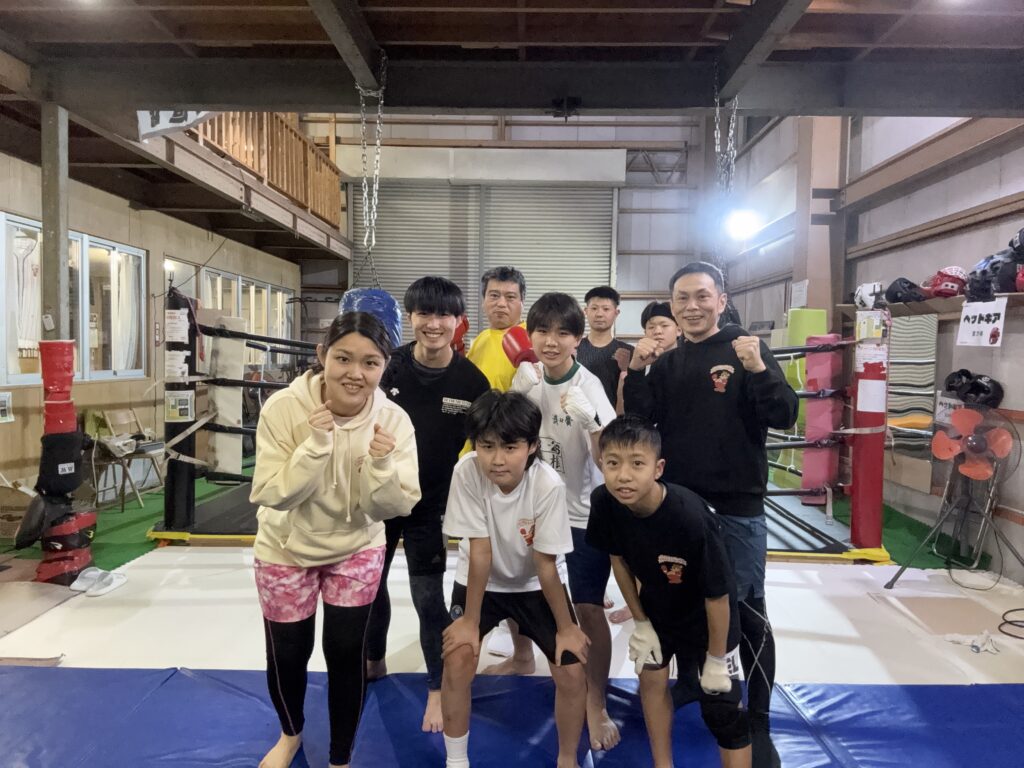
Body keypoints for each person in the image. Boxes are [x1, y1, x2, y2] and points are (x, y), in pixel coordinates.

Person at [623, 262, 798, 768]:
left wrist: (759, 369)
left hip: (737, 505)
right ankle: (694, 684)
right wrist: (639, 370)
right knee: (682, 603)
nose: (692, 306)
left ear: (721, 300)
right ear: (672, 305)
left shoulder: (745, 348)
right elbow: (638, 422)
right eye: (682, 298)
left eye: (702, 296)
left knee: (746, 611)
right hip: (679, 505)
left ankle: (758, 721)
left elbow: (785, 415)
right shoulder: (670, 361)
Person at [249, 311, 422, 768]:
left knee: (346, 653)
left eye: (370, 362)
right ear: (322, 355)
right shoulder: (284, 408)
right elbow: (270, 492)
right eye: (343, 358)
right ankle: (290, 735)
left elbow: (397, 505)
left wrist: (380, 467)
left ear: (384, 366)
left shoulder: (394, 420)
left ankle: (341, 756)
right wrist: (315, 446)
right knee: (287, 653)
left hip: (357, 546)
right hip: (284, 547)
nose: (355, 373)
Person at [587, 415, 751, 768]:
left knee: (723, 710)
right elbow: (618, 559)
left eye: (637, 464)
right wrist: (641, 622)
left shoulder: (690, 518)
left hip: (708, 617)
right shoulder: (604, 502)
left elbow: (718, 596)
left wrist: (717, 658)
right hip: (659, 609)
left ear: (658, 468)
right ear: (601, 464)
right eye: (613, 464)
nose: (624, 475)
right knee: (650, 678)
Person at [365, 277, 491, 733]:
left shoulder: (471, 381)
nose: (433, 324)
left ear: (459, 322)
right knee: (369, 586)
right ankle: (373, 660)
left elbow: (488, 444)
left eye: (443, 315)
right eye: (423, 314)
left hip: (430, 503)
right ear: (410, 317)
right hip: (379, 497)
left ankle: (437, 687)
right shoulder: (390, 368)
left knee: (427, 597)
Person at [440, 390, 590, 768]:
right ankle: (456, 761)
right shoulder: (466, 472)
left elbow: (546, 565)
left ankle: (567, 758)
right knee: (457, 660)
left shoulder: (548, 484)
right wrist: (470, 622)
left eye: (510, 448)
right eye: (487, 446)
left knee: (572, 670)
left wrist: (566, 628)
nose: (497, 459)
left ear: (532, 446)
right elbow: (480, 552)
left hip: (536, 583)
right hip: (480, 581)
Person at [509, 292, 620, 751]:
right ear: (530, 334)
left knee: (589, 609)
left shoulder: (589, 386)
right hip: (534, 507)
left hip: (583, 512)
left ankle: (597, 702)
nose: (551, 342)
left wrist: (592, 424)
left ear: (577, 339)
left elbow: (611, 462)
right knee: (518, 588)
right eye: (542, 331)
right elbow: (506, 440)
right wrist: (515, 397)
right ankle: (526, 660)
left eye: (562, 333)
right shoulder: (528, 378)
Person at [606, 301, 680, 625]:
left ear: (678, 329)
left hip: (679, 463)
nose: (657, 332)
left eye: (664, 325)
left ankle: (672, 601)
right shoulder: (642, 363)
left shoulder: (686, 362)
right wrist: (632, 370)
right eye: (651, 327)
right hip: (645, 461)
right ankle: (638, 601)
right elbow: (630, 414)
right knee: (642, 536)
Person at [466, 266, 527, 391]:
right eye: (494, 295)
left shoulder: (532, 338)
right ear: (483, 301)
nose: (501, 304)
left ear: (522, 303)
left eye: (510, 297)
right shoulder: (481, 339)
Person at [576, 286, 633, 412]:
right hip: (579, 419)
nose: (599, 314)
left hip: (615, 420)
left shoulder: (628, 352)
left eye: (606, 309)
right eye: (594, 308)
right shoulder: (574, 349)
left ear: (616, 313)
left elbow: (635, 393)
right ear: (585, 311)